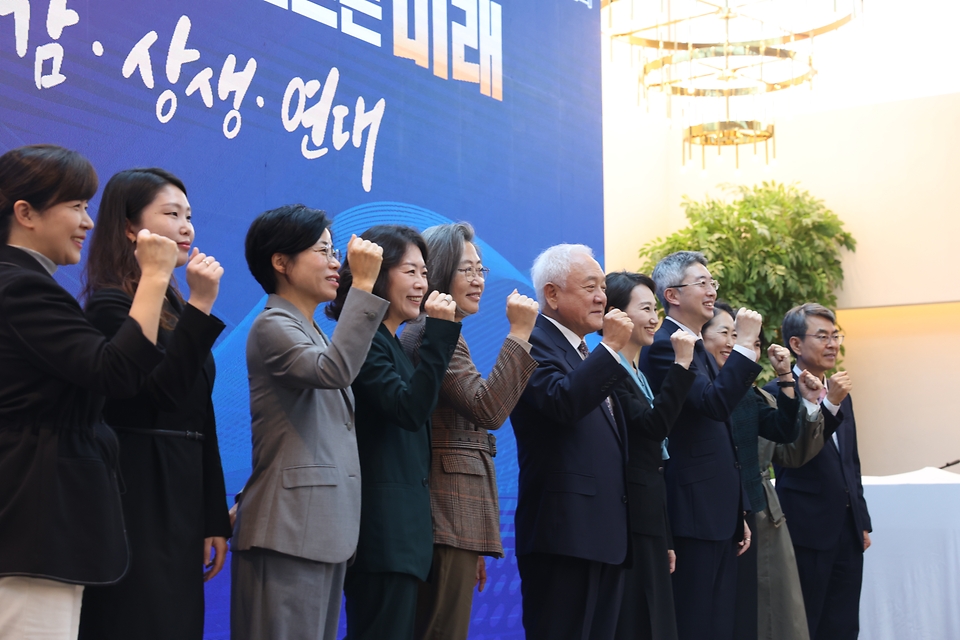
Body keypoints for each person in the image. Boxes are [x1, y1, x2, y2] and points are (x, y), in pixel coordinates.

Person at [0, 145, 179, 639]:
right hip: (37, 528)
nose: (87, 222)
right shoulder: (21, 287)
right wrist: (156, 276)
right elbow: (117, 371)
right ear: (25, 213)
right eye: (76, 206)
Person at [78, 168, 231, 640]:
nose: (186, 227)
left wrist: (212, 516)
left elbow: (200, 412)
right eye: (171, 214)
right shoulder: (108, 306)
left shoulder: (178, 308)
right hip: (136, 487)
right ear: (130, 228)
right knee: (137, 618)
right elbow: (162, 393)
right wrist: (203, 305)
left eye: (189, 216)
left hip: (183, 488)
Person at [230, 205, 388, 640]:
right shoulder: (273, 325)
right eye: (322, 250)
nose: (336, 262)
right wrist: (367, 286)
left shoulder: (311, 330)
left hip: (318, 528)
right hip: (288, 531)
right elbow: (333, 371)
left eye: (334, 250)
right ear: (281, 262)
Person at [397, 223, 540, 640]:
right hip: (443, 515)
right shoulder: (430, 332)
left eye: (482, 271)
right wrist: (518, 334)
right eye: (467, 270)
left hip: (455, 521)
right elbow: (488, 408)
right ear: (439, 272)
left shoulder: (444, 332)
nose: (478, 280)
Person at [332, 225, 462, 640]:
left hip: (403, 541)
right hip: (381, 538)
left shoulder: (389, 343)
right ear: (378, 273)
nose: (421, 284)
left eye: (425, 274)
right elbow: (408, 409)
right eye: (410, 272)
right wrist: (440, 336)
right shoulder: (366, 339)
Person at [511, 244, 642, 640]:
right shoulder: (531, 341)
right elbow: (562, 401)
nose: (602, 296)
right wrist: (612, 348)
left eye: (602, 286)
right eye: (590, 286)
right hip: (563, 535)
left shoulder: (585, 352)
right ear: (551, 294)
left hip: (603, 535)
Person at [638, 251, 761, 640]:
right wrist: (743, 345)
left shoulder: (694, 346)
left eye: (713, 283)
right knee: (695, 620)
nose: (712, 291)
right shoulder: (664, 347)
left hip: (715, 511)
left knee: (719, 621)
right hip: (691, 512)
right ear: (672, 295)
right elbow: (712, 405)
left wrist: (736, 507)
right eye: (702, 283)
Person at [700, 301, 825, 640]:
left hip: (758, 512)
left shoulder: (750, 393)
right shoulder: (698, 388)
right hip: (715, 515)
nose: (734, 343)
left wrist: (791, 382)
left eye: (742, 338)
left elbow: (787, 439)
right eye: (725, 334)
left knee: (769, 613)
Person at [763, 303, 872, 640]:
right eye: (822, 336)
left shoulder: (840, 392)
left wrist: (862, 521)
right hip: (805, 527)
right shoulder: (776, 392)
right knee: (806, 620)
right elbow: (791, 454)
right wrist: (826, 405)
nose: (832, 344)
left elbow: (849, 462)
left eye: (835, 335)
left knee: (843, 624)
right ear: (796, 345)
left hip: (848, 529)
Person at [603, 271, 697, 640]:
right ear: (618, 316)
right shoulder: (610, 371)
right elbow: (653, 426)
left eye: (655, 307)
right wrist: (682, 365)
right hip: (629, 524)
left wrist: (666, 536)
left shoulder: (638, 374)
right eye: (645, 308)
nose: (655, 317)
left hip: (651, 521)